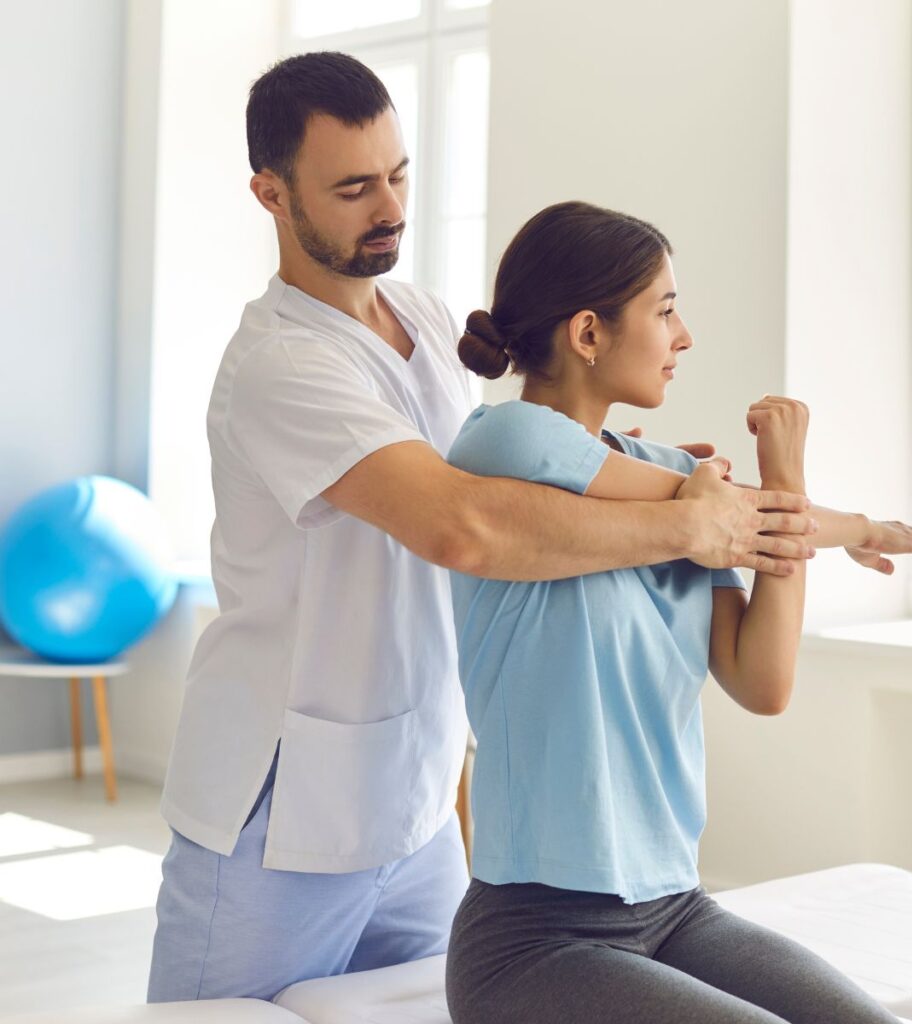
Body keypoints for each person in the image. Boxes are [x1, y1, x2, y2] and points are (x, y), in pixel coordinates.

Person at [147, 53, 825, 1003]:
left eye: (398, 173)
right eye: (352, 187)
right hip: (276, 816)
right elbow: (464, 527)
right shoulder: (282, 362)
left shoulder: (424, 322)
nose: (388, 206)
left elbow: (530, 468)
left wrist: (662, 480)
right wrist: (688, 524)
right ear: (270, 193)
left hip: (419, 805)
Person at [444, 200, 912, 1024]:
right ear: (587, 333)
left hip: (677, 910)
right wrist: (808, 511)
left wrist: (784, 489)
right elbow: (731, 510)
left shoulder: (688, 489)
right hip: (534, 938)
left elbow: (763, 683)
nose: (684, 337)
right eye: (666, 310)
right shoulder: (499, 446)